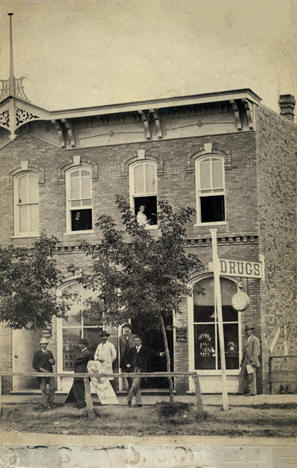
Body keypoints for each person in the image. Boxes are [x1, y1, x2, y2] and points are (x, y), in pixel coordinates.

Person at [127, 336, 165, 407]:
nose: (136, 342)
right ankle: (139, 403)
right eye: (135, 341)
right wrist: (127, 363)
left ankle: (129, 399)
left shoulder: (145, 349)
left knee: (134, 385)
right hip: (133, 369)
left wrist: (159, 354)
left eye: (137, 341)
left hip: (141, 369)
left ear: (141, 341)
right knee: (136, 386)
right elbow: (127, 357)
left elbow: (152, 352)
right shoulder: (132, 350)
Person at [65, 338, 92, 408]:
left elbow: (76, 359)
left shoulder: (86, 353)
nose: (79, 345)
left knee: (80, 388)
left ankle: (81, 403)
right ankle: (78, 402)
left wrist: (75, 357)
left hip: (82, 372)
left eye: (80, 344)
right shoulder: (82, 352)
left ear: (84, 345)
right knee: (76, 388)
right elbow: (75, 358)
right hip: (78, 372)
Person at [32, 337, 56, 410]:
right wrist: (41, 369)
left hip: (50, 373)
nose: (43, 345)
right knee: (43, 389)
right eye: (42, 344)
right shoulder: (37, 353)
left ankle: (49, 402)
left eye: (45, 344)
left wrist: (53, 361)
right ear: (40, 345)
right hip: (42, 375)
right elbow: (34, 364)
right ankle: (46, 405)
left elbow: (53, 362)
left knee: (53, 387)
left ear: (47, 345)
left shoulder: (49, 352)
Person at [238, 325, 260, 396]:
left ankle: (253, 392)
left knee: (251, 376)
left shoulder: (255, 339)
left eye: (249, 330)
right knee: (241, 375)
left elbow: (256, 351)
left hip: (251, 361)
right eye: (247, 330)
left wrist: (253, 361)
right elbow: (244, 351)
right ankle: (240, 391)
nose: (248, 332)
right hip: (245, 361)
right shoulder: (246, 340)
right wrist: (242, 361)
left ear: (252, 331)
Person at [119, 323, 136, 389]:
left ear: (129, 329)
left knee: (133, 372)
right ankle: (130, 386)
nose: (126, 330)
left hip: (132, 357)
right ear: (123, 329)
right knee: (127, 373)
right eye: (125, 329)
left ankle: (133, 387)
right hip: (125, 357)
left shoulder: (134, 336)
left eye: (127, 329)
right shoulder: (121, 337)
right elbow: (120, 349)